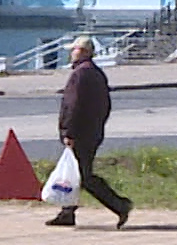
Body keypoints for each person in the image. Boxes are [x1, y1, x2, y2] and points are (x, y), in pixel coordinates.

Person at [49, 35, 133, 229]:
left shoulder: (81, 74)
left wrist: (68, 131)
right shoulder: (96, 73)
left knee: (84, 176)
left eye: (74, 49)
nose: (71, 53)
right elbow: (105, 105)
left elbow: (73, 105)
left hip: (80, 134)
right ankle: (67, 212)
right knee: (75, 173)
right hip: (92, 132)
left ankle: (120, 205)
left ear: (84, 52)